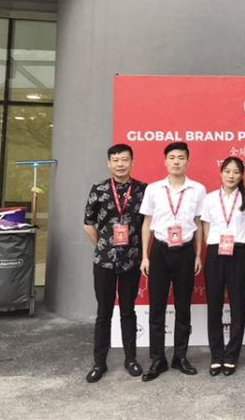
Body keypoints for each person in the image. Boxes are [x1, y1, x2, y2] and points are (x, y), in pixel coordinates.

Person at [139, 142, 206, 382]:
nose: (176, 161)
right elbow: (147, 223)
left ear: (188, 161)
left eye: (181, 157)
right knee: (157, 307)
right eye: (172, 157)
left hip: (185, 252)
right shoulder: (153, 189)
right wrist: (145, 256)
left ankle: (180, 357)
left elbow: (198, 224)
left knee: (183, 307)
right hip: (159, 250)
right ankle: (158, 359)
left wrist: (198, 255)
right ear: (165, 161)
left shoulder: (198, 189)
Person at [83, 144, 148, 383]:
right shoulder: (99, 189)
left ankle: (131, 359)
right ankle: (99, 363)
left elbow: (147, 223)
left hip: (132, 260)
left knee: (128, 311)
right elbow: (88, 224)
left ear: (132, 162)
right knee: (104, 313)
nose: (120, 164)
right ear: (109, 163)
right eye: (116, 160)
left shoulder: (143, 190)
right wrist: (103, 246)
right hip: (104, 262)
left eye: (125, 159)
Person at [201, 157, 245, 376]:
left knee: (237, 306)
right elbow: (205, 227)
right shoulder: (210, 198)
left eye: (236, 172)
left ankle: (231, 355)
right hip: (215, 253)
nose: (231, 176)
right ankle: (216, 355)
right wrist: (214, 244)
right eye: (228, 171)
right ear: (221, 172)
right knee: (214, 306)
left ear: (241, 175)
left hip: (238, 252)